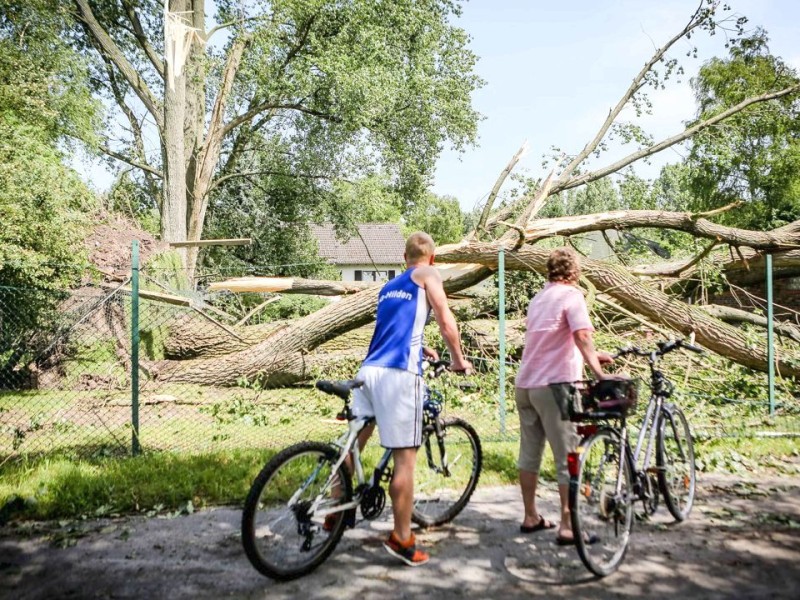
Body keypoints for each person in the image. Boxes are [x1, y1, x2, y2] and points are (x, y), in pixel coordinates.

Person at [351, 231, 473, 567]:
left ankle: (334, 512)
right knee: (405, 459)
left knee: (353, 446)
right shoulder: (429, 273)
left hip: (368, 371)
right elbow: (446, 319)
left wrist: (422, 347)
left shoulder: (390, 286)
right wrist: (458, 358)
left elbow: (396, 330)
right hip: (399, 376)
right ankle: (402, 538)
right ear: (431, 258)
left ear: (403, 259)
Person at [514, 246, 614, 545]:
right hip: (555, 388)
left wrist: (594, 356)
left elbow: (553, 341)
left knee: (529, 455)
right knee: (567, 457)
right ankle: (568, 526)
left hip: (526, 385)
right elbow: (581, 335)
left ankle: (530, 516)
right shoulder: (572, 296)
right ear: (575, 272)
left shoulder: (538, 299)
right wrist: (599, 374)